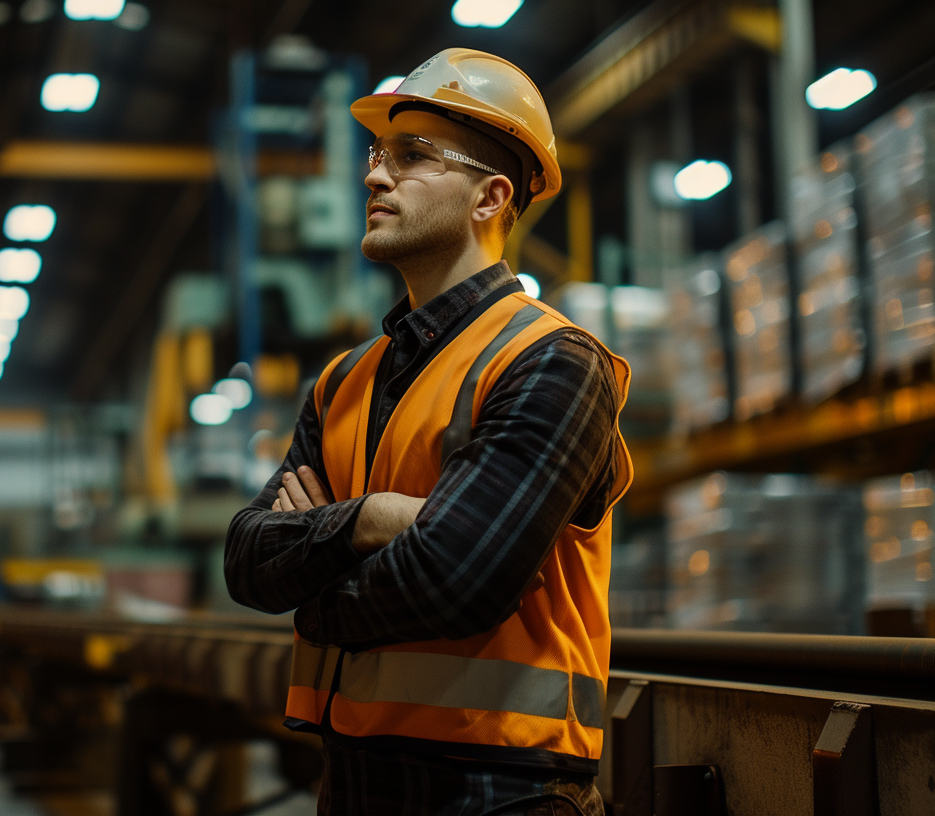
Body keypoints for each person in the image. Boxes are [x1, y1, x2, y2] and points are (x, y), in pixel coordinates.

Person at [224, 48, 632, 816]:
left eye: (411, 158)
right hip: (353, 785)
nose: (374, 177)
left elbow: (456, 581)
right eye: (379, 155)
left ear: (490, 197)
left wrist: (312, 595)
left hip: (503, 790)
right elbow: (246, 562)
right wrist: (372, 520)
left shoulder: (552, 362)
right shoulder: (345, 380)